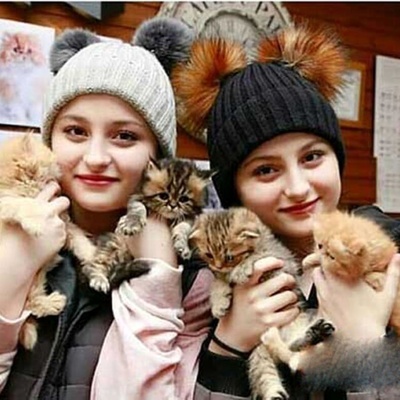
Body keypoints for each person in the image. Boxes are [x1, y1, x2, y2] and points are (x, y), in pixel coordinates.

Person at [172, 23, 400, 399]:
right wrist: (227, 349)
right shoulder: (208, 288)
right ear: (235, 192)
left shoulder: (389, 260)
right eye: (266, 170)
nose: (297, 187)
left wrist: (364, 347)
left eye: (312, 157)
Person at [0, 18, 221, 400]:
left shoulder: (194, 276)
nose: (96, 157)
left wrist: (156, 281)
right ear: (50, 137)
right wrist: (10, 272)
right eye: (76, 131)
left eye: (124, 136)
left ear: (156, 154)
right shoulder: (8, 228)